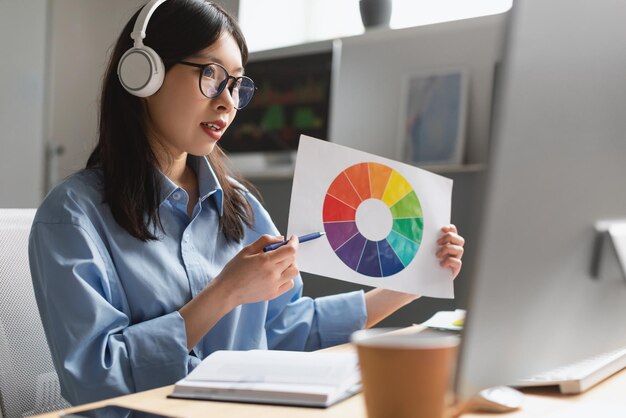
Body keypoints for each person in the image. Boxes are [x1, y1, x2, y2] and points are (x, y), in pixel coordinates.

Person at [28, 0, 466, 406]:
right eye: (211, 76)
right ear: (145, 73)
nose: (227, 102)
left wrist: (403, 288)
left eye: (236, 85)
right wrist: (225, 294)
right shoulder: (73, 217)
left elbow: (284, 329)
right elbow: (92, 378)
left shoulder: (241, 208)